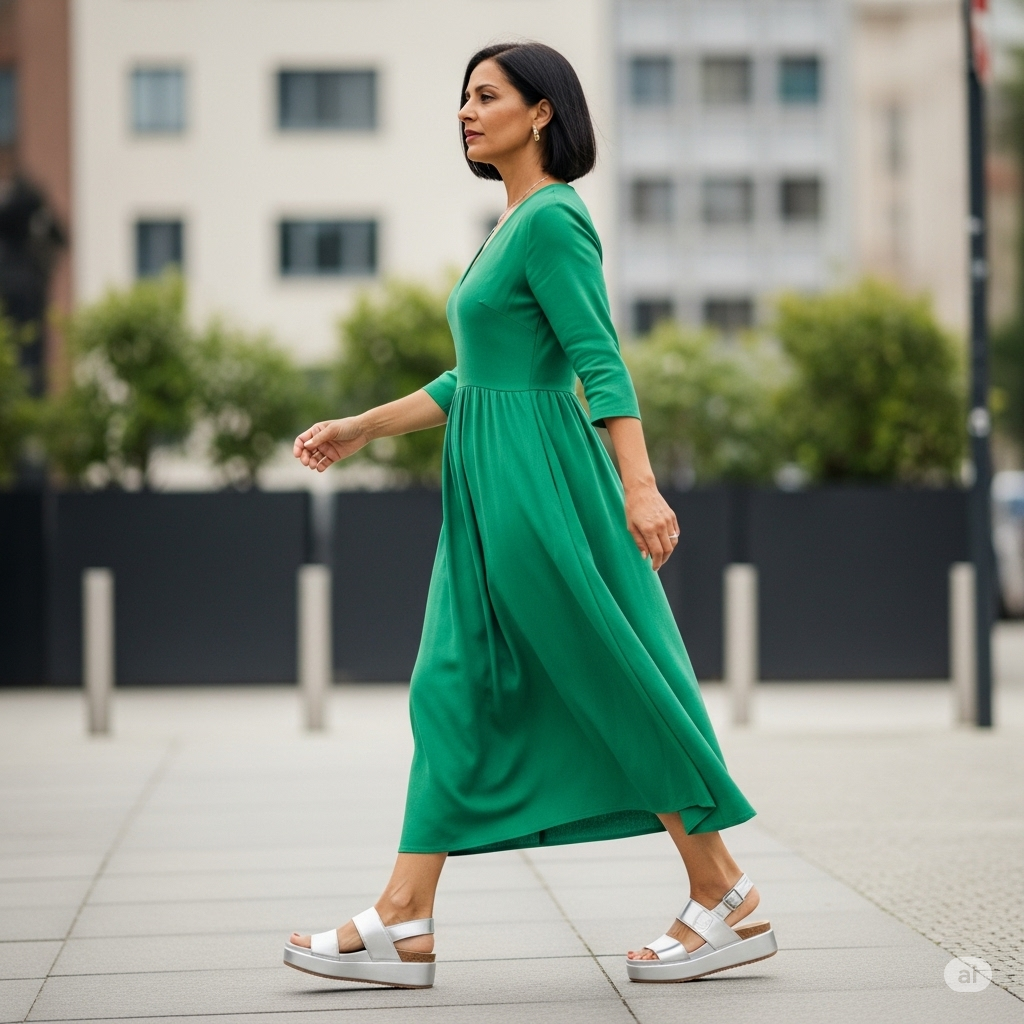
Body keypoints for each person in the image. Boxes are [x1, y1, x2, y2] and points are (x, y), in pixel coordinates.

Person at [284, 41, 776, 988]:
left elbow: (599, 362)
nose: (466, 113)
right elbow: (477, 377)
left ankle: (723, 892)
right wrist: (359, 429)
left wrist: (639, 484)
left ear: (541, 111)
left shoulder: (552, 221)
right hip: (487, 485)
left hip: (541, 487)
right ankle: (405, 917)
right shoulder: (510, 224)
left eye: (486, 95)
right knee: (454, 681)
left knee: (608, 673)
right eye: (462, 98)